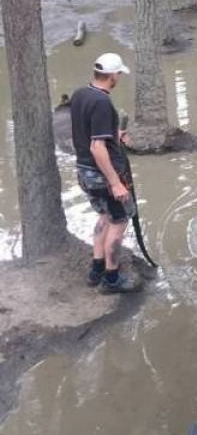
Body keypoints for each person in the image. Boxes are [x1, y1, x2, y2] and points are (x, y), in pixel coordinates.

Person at [70, 53, 142, 293]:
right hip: (104, 175)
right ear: (112, 75)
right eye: (119, 73)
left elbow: (89, 133)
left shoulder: (81, 94)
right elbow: (96, 146)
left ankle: (97, 268)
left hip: (85, 172)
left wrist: (114, 135)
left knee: (104, 216)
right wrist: (115, 183)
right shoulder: (102, 103)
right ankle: (112, 279)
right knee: (119, 221)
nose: (119, 77)